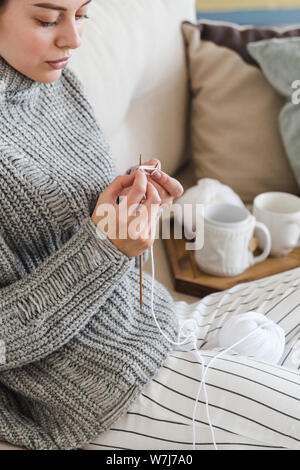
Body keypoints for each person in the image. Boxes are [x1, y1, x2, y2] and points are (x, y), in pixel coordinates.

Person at [0, 0, 299, 451]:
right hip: (102, 388)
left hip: (163, 323)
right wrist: (105, 248)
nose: (74, 39)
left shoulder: (54, 79)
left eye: (81, 14)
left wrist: (128, 206)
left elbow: (75, 224)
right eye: (47, 20)